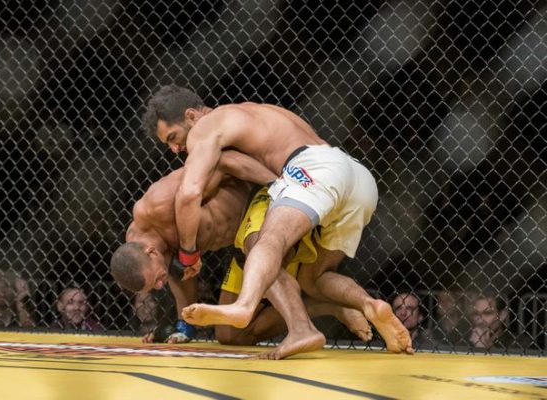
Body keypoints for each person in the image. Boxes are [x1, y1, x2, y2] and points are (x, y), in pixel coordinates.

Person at [143, 84, 413, 354]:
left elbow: (190, 192)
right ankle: (370, 305)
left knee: (267, 240)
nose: (176, 149)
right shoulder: (253, 112)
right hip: (357, 179)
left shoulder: (206, 127)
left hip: (311, 170)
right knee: (314, 278)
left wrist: (188, 253)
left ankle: (247, 307)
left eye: (173, 137)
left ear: (191, 116)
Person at [111, 160, 406, 358]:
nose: (160, 284)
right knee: (229, 336)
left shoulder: (160, 204)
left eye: (155, 279)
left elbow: (222, 163)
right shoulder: (141, 247)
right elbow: (178, 275)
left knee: (262, 253)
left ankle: (302, 329)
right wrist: (183, 327)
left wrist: (277, 182)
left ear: (150, 252)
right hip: (239, 242)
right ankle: (330, 308)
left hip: (261, 209)